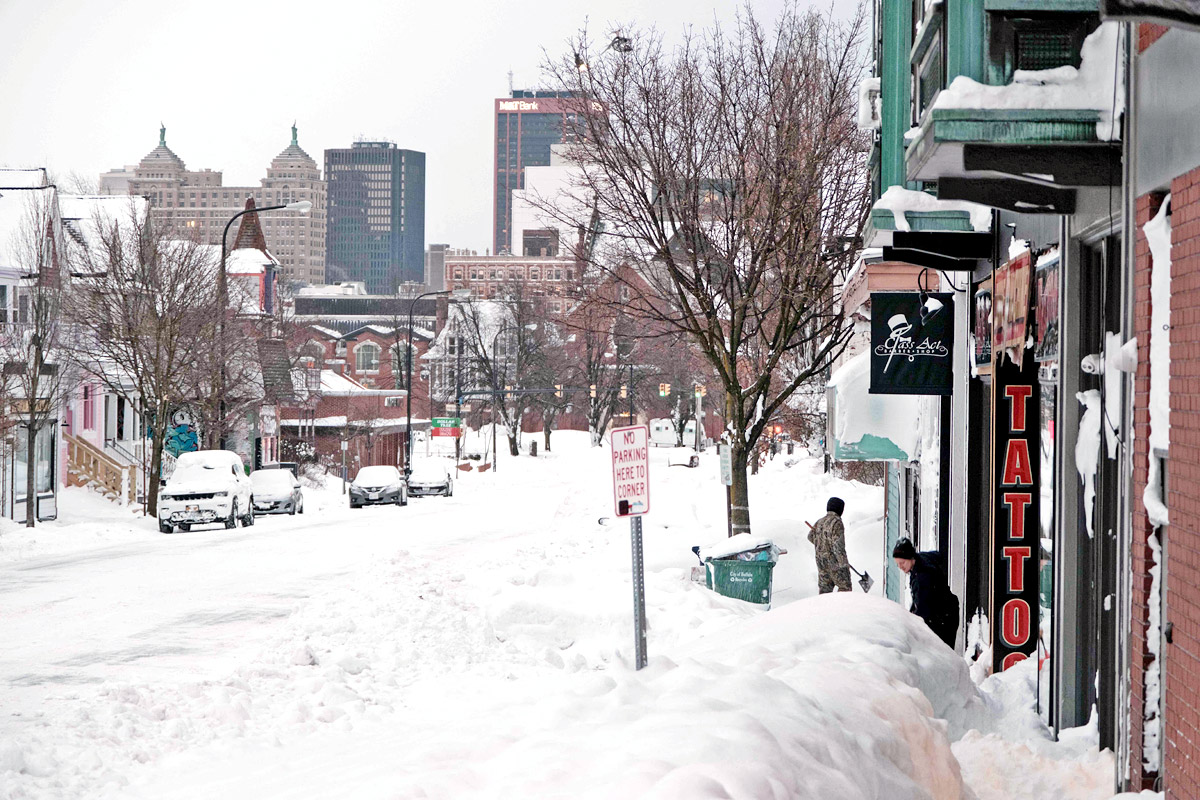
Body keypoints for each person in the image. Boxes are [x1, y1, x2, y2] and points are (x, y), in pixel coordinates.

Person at [892, 537, 960, 648]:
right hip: (948, 610)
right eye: (897, 564)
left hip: (943, 618)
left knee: (943, 655)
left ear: (910, 557)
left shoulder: (922, 577)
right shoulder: (920, 559)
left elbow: (923, 610)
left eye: (902, 562)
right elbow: (938, 555)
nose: (900, 567)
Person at [809, 497, 852, 594]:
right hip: (835, 563)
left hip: (821, 563)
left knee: (825, 592)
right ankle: (842, 609)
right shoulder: (837, 522)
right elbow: (838, 546)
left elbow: (810, 536)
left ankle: (824, 609)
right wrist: (844, 565)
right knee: (845, 589)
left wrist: (822, 544)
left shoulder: (820, 521)